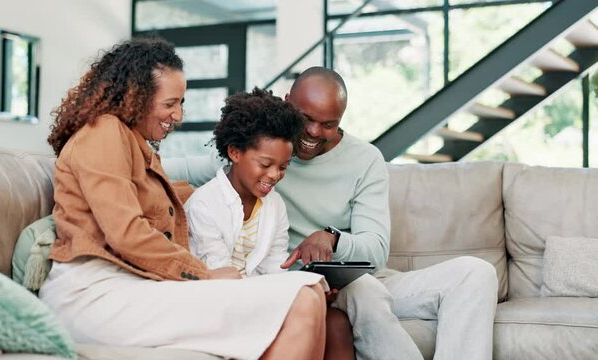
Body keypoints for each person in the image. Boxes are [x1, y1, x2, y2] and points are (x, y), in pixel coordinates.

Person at [163, 66, 499, 360]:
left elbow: (376, 250)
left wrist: (332, 239)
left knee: (476, 273)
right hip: (301, 287)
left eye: (328, 124)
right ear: (287, 102)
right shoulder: (259, 149)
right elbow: (173, 167)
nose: (312, 132)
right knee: (364, 292)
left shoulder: (365, 160)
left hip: (351, 281)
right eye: (305, 118)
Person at [38, 38, 329, 360]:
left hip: (132, 286)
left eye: (181, 103)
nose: (178, 115)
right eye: (169, 103)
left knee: (311, 290)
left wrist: (225, 194)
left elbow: (168, 198)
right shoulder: (104, 132)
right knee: (302, 295)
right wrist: (205, 275)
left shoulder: (135, 145)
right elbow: (126, 232)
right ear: (136, 96)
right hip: (93, 294)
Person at [185, 87, 301, 277]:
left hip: (257, 293)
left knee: (315, 287)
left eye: (283, 167)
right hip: (217, 295)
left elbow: (275, 265)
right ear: (235, 152)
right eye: (265, 164)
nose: (274, 175)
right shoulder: (203, 204)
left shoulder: (275, 204)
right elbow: (219, 272)